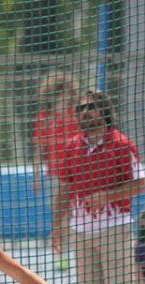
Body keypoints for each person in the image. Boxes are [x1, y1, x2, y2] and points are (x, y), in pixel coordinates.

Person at [55, 90, 145, 284]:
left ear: (104, 111)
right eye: (81, 108)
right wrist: (57, 226)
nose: (85, 113)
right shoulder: (71, 147)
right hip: (81, 231)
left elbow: (140, 184)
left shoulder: (122, 145)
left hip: (115, 228)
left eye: (91, 108)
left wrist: (107, 196)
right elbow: (65, 188)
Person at [34, 71, 81, 271]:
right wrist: (37, 176)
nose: (65, 97)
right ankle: (60, 255)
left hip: (77, 172)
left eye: (68, 93)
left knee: (76, 214)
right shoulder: (44, 119)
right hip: (55, 173)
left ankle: (76, 252)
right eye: (60, 93)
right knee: (59, 215)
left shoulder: (77, 115)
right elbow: (38, 149)